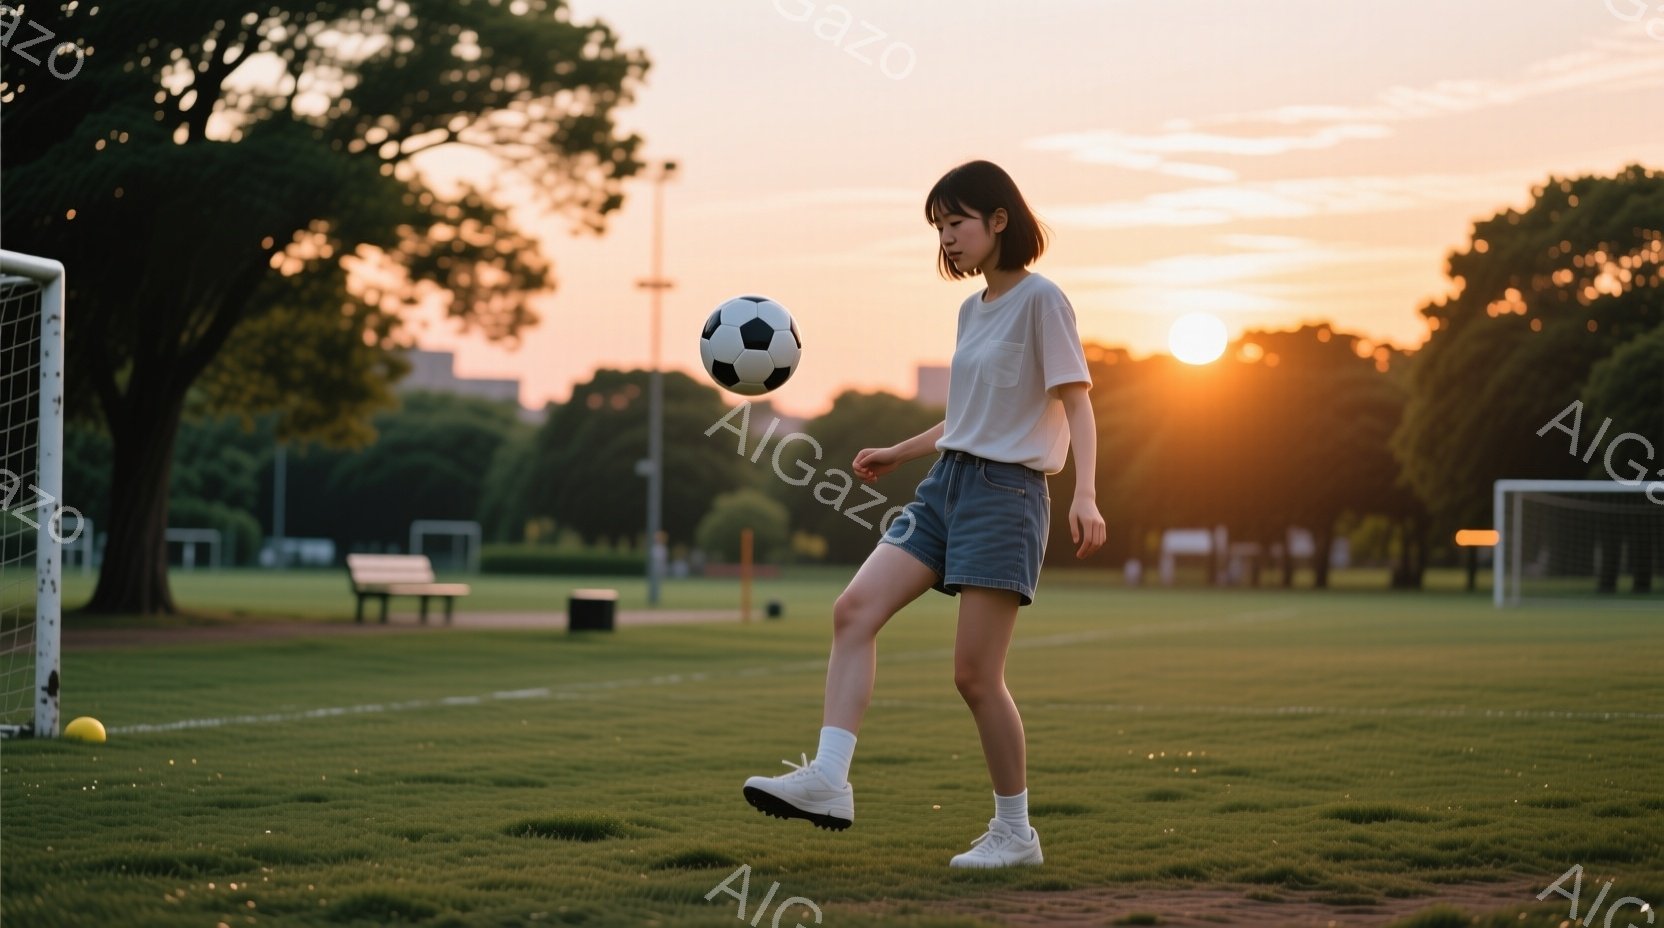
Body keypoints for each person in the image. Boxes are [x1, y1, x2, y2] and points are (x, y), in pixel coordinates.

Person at [742, 159, 1106, 868]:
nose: (946, 238)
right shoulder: (971, 310)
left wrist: (1086, 493)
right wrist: (902, 452)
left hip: (1008, 497)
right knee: (853, 611)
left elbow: (1078, 403)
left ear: (999, 220)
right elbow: (966, 419)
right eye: (938, 227)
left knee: (974, 675)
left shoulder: (1043, 301)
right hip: (945, 486)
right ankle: (828, 779)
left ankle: (1015, 833)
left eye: (957, 222)